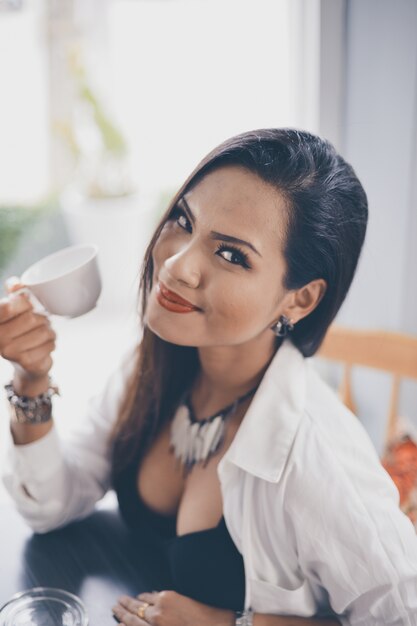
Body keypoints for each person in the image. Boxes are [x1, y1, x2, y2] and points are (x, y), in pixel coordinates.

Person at [1, 128, 416, 626]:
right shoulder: (154, 363)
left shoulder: (316, 453)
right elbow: (49, 505)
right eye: (182, 219)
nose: (175, 265)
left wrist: (226, 624)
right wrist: (32, 379)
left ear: (299, 299)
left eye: (231, 254)